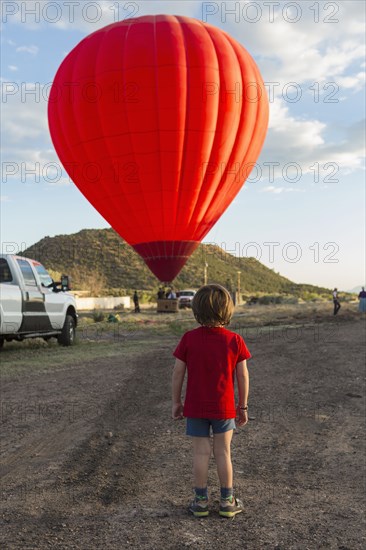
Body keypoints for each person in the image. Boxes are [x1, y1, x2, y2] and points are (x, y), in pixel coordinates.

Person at [171, 284, 251, 518]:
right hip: (224, 408)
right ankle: (227, 502)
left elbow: (177, 373)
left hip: (195, 407)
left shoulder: (189, 339)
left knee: (201, 454)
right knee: (223, 452)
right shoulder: (234, 340)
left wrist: (176, 402)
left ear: (197, 309)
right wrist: (243, 406)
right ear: (227, 310)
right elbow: (243, 375)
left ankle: (200, 502)